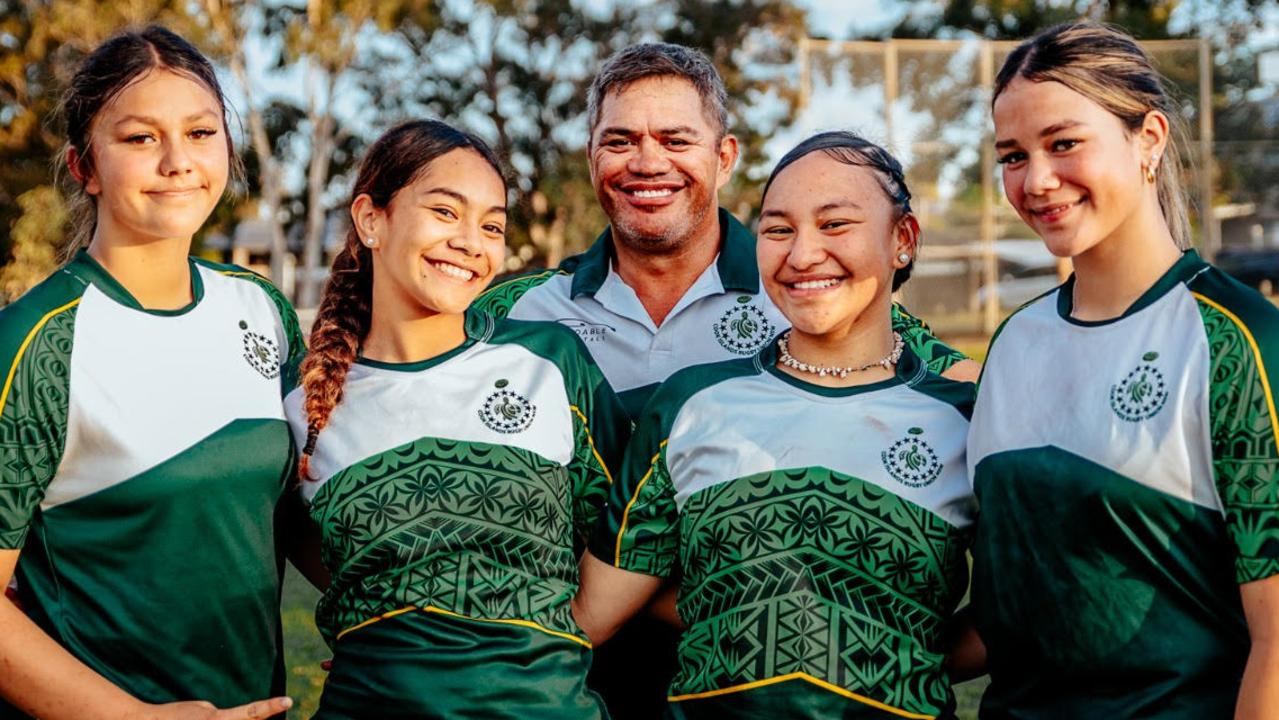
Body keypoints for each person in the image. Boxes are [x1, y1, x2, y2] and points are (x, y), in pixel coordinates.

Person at [471, 42, 981, 717]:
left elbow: (949, 384)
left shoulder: (807, 292)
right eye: (619, 140)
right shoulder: (514, 313)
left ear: (724, 156)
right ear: (592, 156)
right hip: (569, 672)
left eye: (674, 138)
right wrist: (419, 637)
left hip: (742, 674)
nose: (647, 161)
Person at [575, 130, 977, 719]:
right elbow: (595, 612)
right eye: (778, 229)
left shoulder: (964, 416)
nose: (803, 254)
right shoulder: (693, 401)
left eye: (835, 224)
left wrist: (881, 653)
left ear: (903, 240)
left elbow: (1012, 615)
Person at [969, 21, 1279, 718]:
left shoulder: (1236, 341)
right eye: (1012, 155)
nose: (1036, 180)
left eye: (1063, 143)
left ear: (1148, 140)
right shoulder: (1013, 342)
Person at [0, 26, 301, 720]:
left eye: (200, 133)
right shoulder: (37, 344)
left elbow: (284, 517)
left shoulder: (260, 308)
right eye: (140, 139)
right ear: (85, 168)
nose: (178, 162)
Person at [285, 119, 629, 719]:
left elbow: (618, 535)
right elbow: (325, 560)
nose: (473, 241)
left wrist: (512, 653)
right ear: (372, 219)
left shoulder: (549, 363)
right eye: (446, 212)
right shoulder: (302, 404)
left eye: (492, 225)